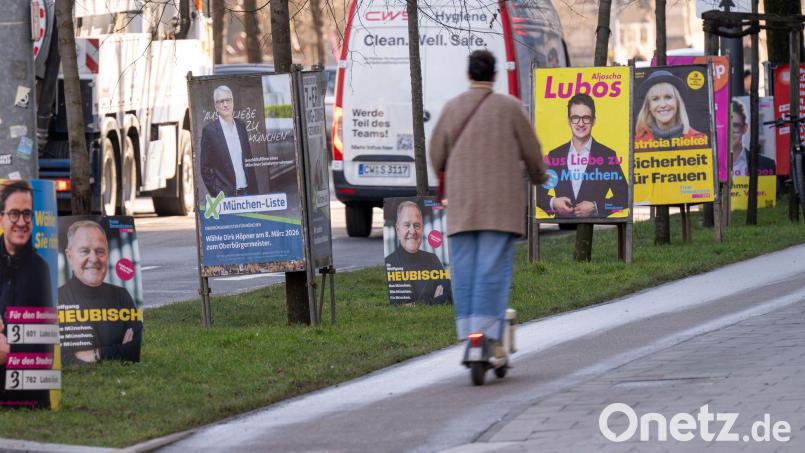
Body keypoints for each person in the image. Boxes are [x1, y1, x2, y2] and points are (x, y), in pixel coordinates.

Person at [430, 50, 546, 353]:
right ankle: (488, 335)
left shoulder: (452, 108)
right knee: (492, 270)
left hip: (461, 205)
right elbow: (533, 151)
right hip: (500, 207)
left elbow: (436, 155)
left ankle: (468, 333)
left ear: (469, 74)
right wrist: (538, 176)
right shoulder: (510, 108)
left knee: (465, 270)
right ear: (494, 76)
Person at [59, 220, 142, 364]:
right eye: (84, 251)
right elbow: (60, 358)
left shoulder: (120, 295)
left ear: (107, 255)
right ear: (69, 255)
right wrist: (120, 350)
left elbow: (136, 348)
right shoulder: (56, 298)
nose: (94, 258)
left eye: (100, 251)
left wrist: (98, 353)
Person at [0, 180, 53, 408]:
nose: (21, 222)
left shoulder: (41, 269)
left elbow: (45, 347)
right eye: (14, 214)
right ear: (1, 217)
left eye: (27, 214)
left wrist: (8, 349)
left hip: (30, 397)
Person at [535, 93, 628, 218]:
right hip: (563, 230)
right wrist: (554, 202)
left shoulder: (607, 155)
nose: (580, 123)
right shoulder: (555, 155)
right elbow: (538, 195)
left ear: (593, 121)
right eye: (575, 118)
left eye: (586, 118)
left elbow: (624, 197)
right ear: (569, 121)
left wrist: (596, 207)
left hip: (597, 228)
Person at [385, 201, 451, 304]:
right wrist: (435, 301)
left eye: (417, 225)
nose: (412, 231)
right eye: (407, 225)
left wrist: (417, 304)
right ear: (398, 229)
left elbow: (449, 295)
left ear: (422, 228)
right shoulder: (389, 263)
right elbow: (396, 306)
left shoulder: (432, 259)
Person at [200, 85, 258, 197]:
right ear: (216, 106)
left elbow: (249, 161)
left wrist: (254, 194)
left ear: (233, 102)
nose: (225, 104)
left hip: (247, 193)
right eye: (221, 101)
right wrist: (218, 193)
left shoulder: (241, 126)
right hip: (226, 197)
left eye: (228, 100)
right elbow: (205, 169)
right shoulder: (209, 131)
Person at [634, 70, 706, 141]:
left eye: (668, 97)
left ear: (678, 102)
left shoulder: (699, 139)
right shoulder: (638, 143)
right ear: (649, 106)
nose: (663, 105)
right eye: (655, 99)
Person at [731, 100, 776, 177]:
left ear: (744, 128)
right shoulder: (709, 165)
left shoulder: (767, 164)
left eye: (735, 126)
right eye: (726, 126)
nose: (730, 131)